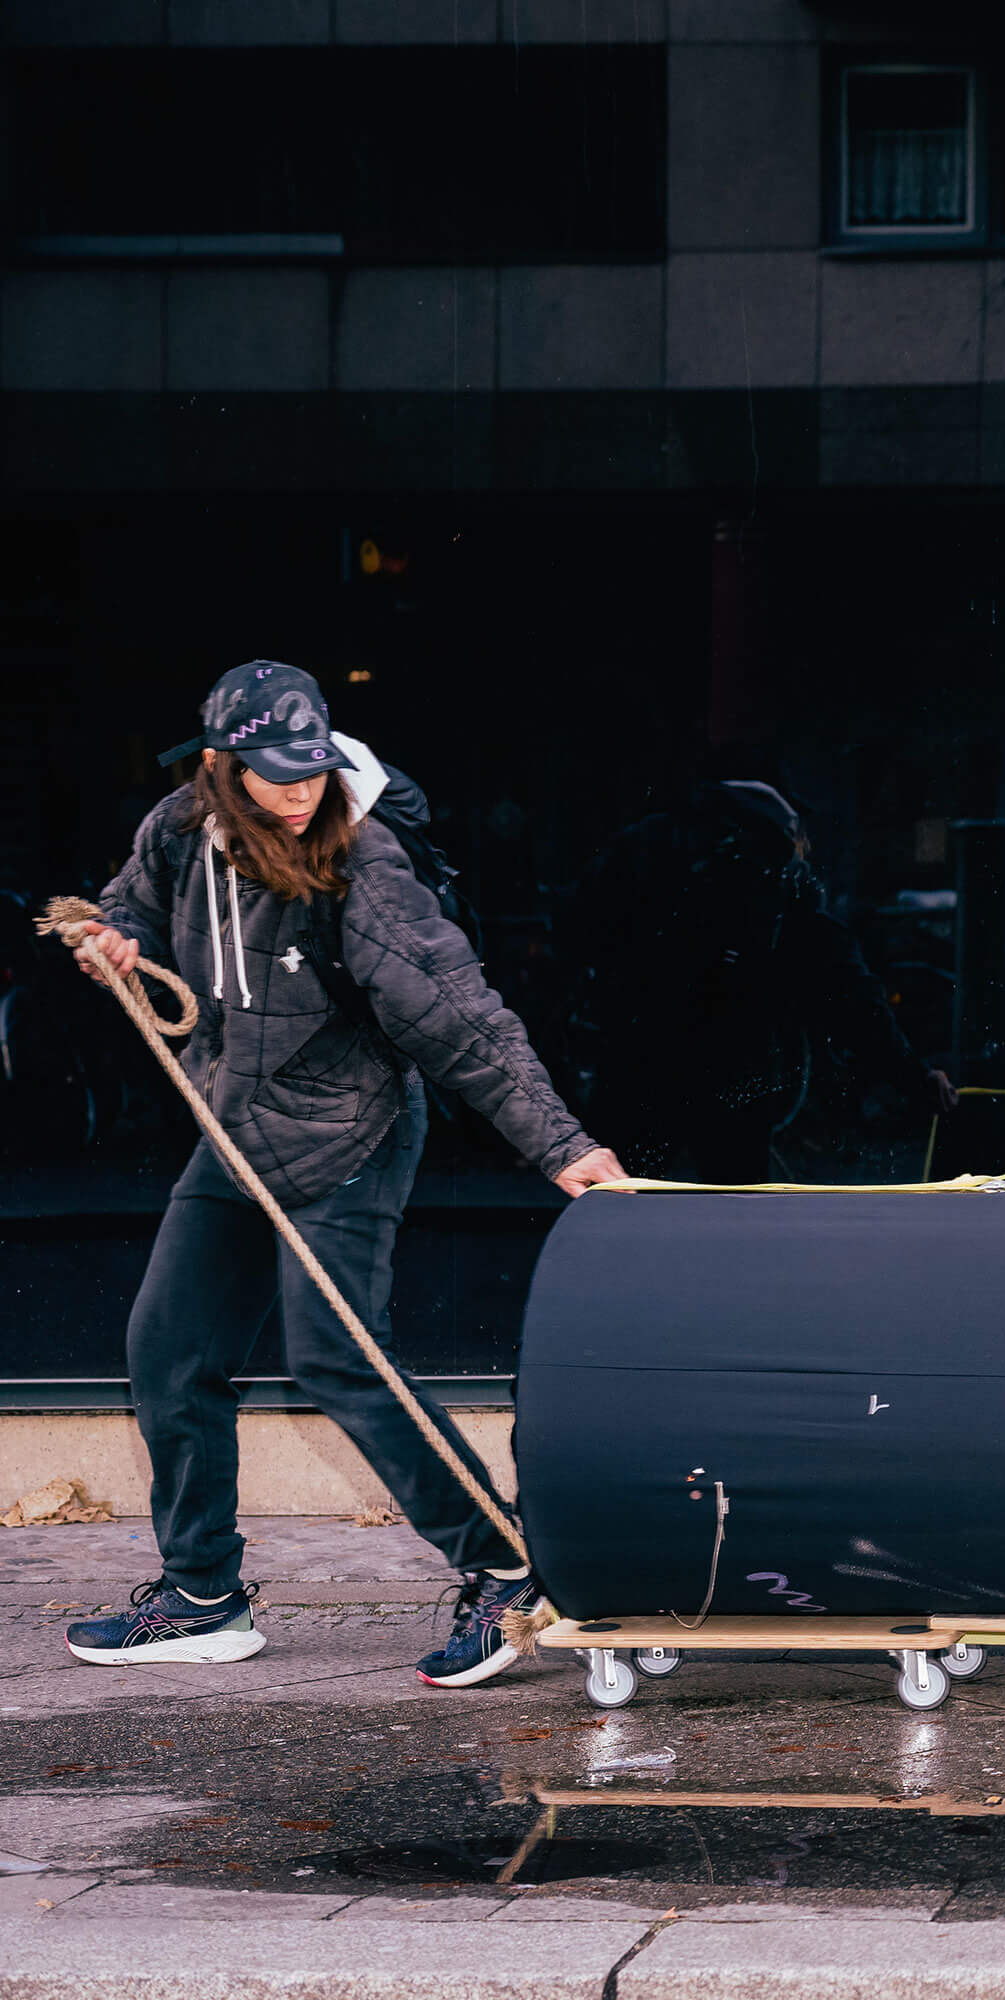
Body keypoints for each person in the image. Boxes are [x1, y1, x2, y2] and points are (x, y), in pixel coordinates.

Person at [58, 662, 627, 1686]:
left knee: (337, 1356)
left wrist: (560, 1143)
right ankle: (201, 1594)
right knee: (169, 1347)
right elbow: (132, 906)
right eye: (275, 770)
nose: (298, 786)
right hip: (234, 1129)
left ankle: (505, 1565)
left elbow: (455, 1012)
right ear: (224, 762)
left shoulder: (362, 859)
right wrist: (115, 944)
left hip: (350, 1127)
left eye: (311, 766)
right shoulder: (179, 828)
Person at [564, 778, 954, 1185]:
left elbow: (581, 942)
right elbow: (860, 1011)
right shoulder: (786, 916)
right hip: (733, 1096)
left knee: (622, 1209)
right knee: (731, 1212)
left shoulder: (658, 888)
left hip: (638, 1080)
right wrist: (917, 1080)